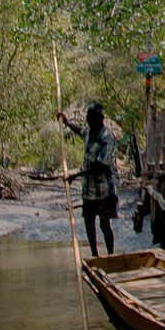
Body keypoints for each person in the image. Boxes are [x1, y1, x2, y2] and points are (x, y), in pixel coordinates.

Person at [57, 102, 122, 256]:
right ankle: (94, 255)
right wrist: (66, 123)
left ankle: (111, 255)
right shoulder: (89, 131)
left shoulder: (107, 137)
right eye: (88, 118)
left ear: (100, 120)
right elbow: (80, 131)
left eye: (92, 118)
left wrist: (75, 176)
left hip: (105, 188)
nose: (89, 121)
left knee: (104, 224)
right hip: (89, 189)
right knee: (88, 222)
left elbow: (101, 166)